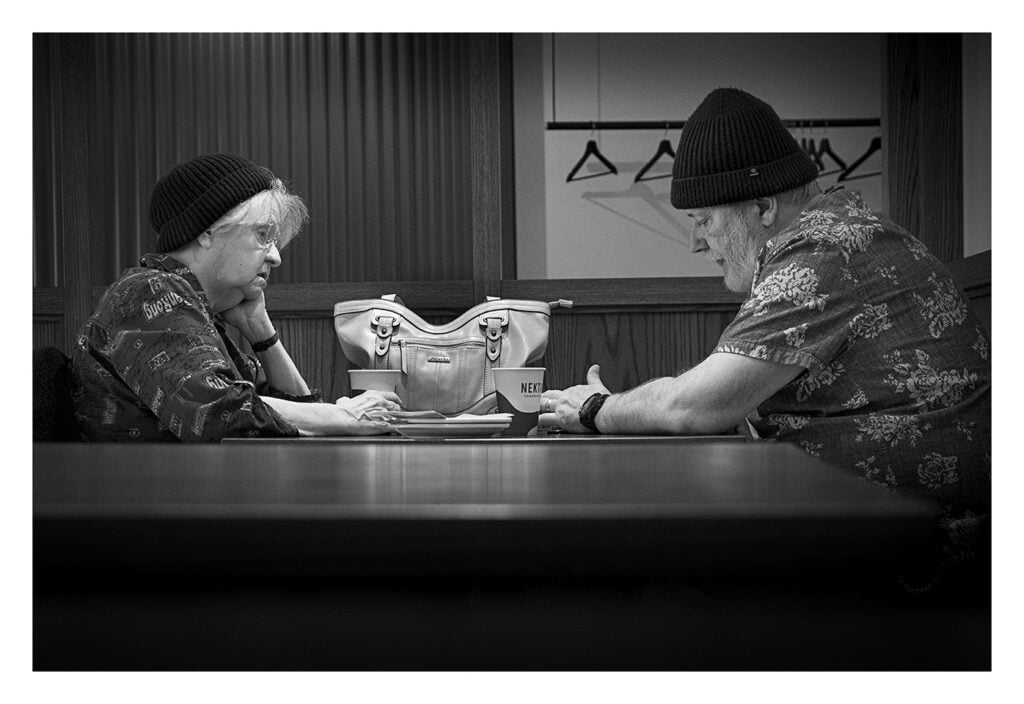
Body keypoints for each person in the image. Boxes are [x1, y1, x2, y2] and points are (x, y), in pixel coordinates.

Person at [541, 88, 990, 579]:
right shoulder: (838, 235)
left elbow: (696, 408)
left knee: (624, 562)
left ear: (763, 208)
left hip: (918, 554)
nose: (694, 242)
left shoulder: (825, 248)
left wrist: (594, 409)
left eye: (704, 220)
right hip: (882, 527)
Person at [69, 153, 399, 441]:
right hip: (144, 505)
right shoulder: (149, 292)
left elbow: (300, 420)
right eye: (262, 235)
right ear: (207, 233)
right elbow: (220, 414)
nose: (276, 257)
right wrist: (345, 416)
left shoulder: (198, 310)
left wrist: (262, 333)